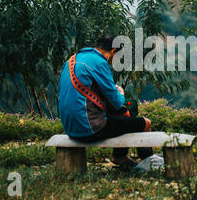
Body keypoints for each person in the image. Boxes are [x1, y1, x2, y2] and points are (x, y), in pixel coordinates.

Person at [58, 35, 153, 170]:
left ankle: (121, 156)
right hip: (90, 130)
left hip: (70, 128)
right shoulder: (100, 62)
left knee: (126, 113)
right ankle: (148, 164)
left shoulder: (71, 60)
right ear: (114, 51)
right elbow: (117, 103)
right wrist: (120, 92)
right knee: (143, 120)